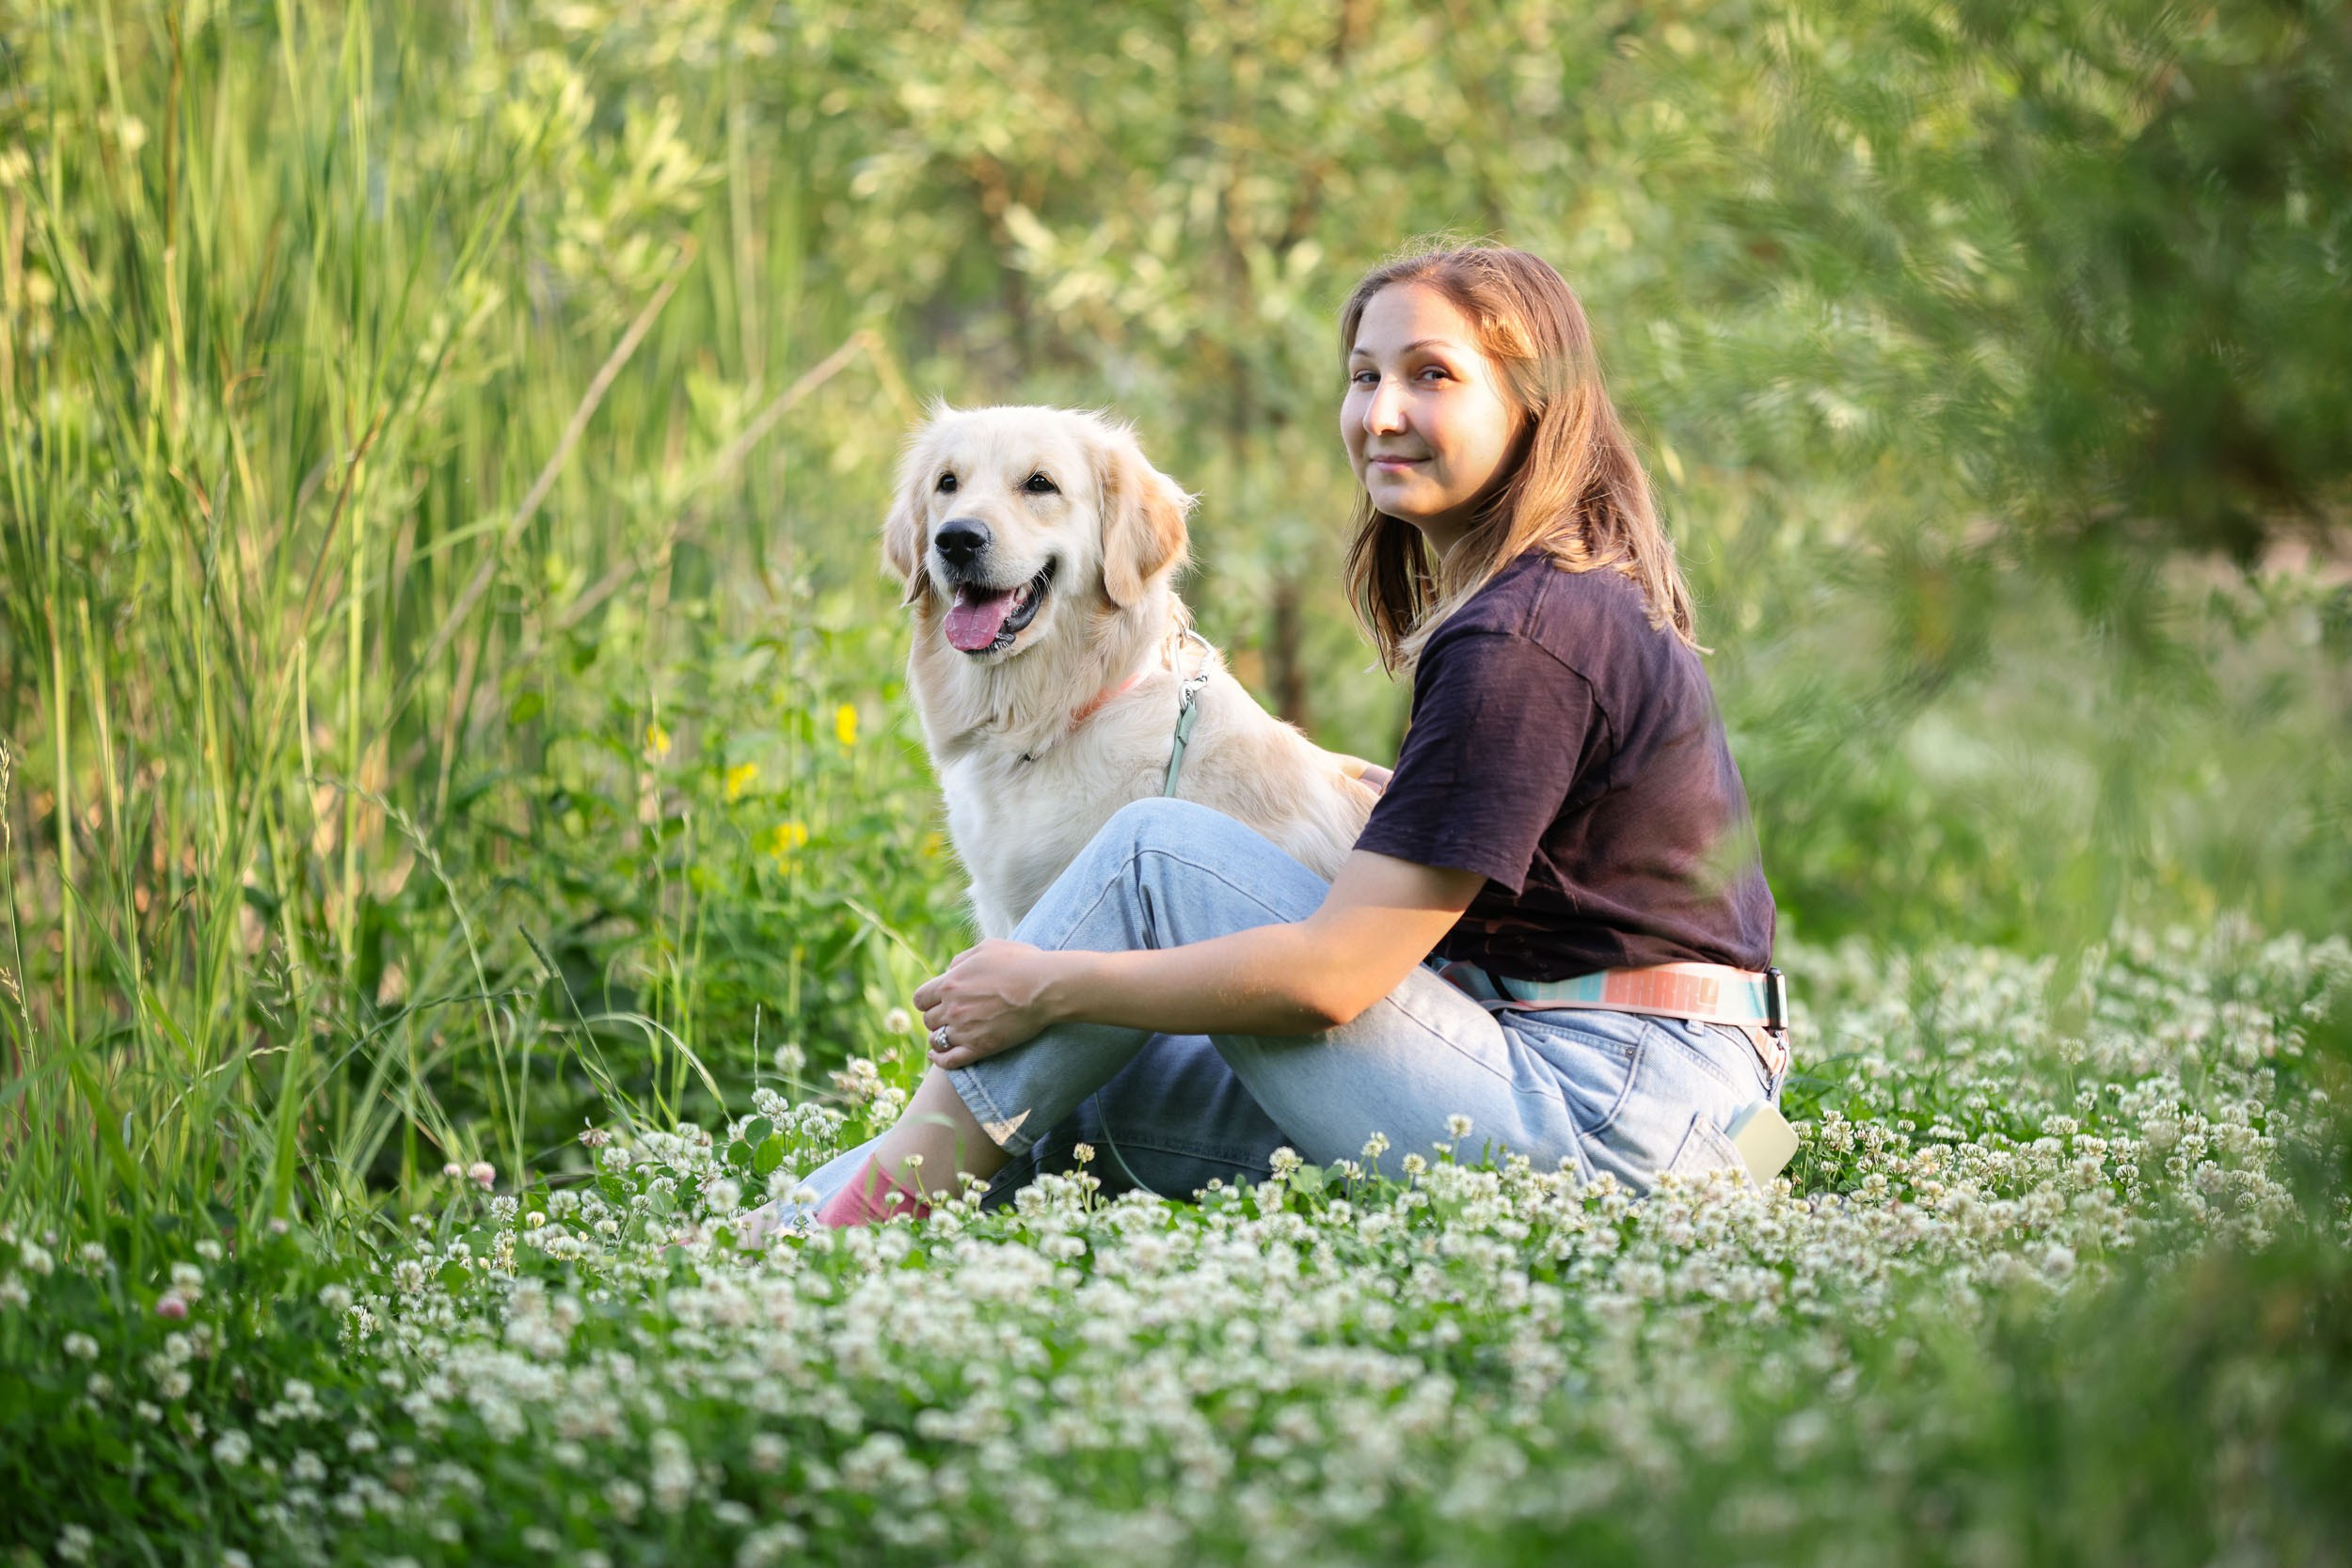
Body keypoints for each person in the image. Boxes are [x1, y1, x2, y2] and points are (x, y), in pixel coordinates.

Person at [790, 242, 1781, 1229]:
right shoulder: (1562, 597)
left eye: (1431, 374)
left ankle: (839, 1232)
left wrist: (1048, 984)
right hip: (1673, 1102)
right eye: (1365, 376)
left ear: (1534, 403)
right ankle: (795, 1217)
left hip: (1610, 1108)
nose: (1381, 412)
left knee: (1151, 850)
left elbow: (1332, 979)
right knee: (1075, 1097)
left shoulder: (1521, 637)